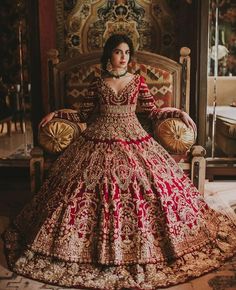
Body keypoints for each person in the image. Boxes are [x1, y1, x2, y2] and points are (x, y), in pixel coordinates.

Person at [2, 34, 236, 290]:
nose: (123, 56)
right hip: (97, 137)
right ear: (109, 55)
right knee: (81, 185)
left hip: (134, 137)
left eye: (126, 52)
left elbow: (152, 112)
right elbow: (83, 113)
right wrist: (56, 113)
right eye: (118, 51)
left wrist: (177, 112)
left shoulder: (138, 82)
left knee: (146, 181)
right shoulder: (97, 82)